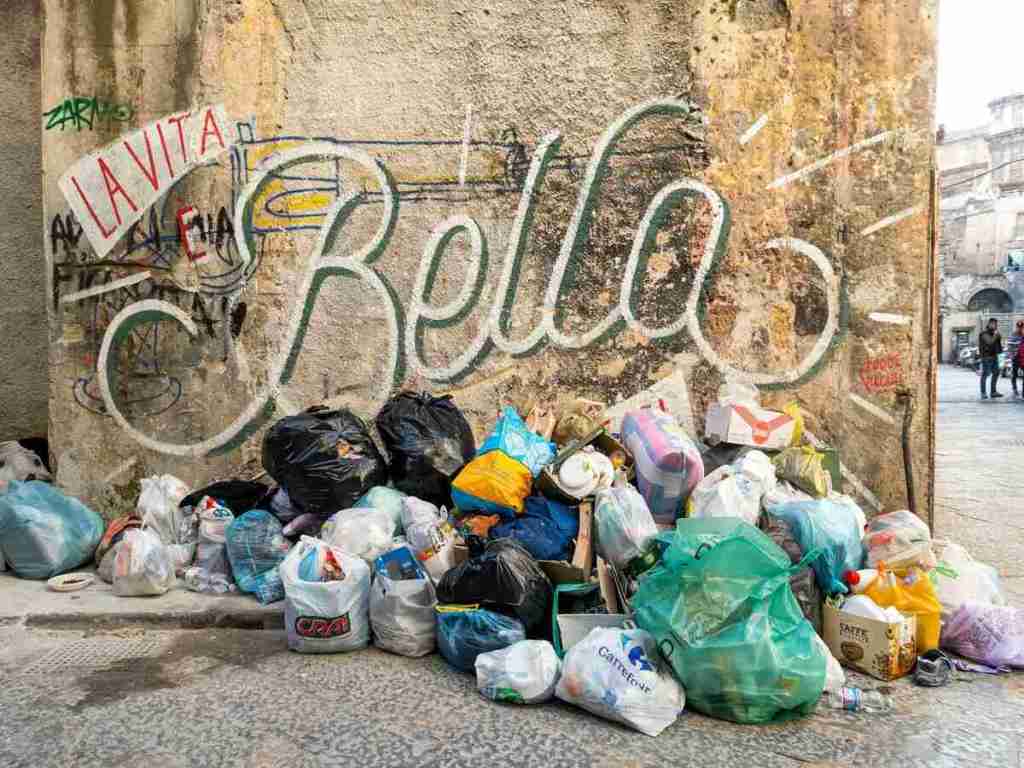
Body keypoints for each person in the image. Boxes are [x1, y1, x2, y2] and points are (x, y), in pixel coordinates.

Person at [978, 318, 1004, 400]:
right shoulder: (983, 334)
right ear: (988, 324)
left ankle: (993, 392)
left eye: (995, 324)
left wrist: (1001, 359)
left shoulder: (995, 334)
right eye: (992, 324)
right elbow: (990, 342)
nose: (994, 325)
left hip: (995, 356)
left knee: (996, 373)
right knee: (985, 374)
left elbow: (999, 346)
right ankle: (983, 393)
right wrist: (996, 336)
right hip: (986, 357)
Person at [1010, 320, 1024, 397]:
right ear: (1016, 327)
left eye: (1021, 327)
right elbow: (1010, 346)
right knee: (1014, 374)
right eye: (1018, 327)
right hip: (1015, 357)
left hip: (1022, 358)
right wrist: (1012, 355)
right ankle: (1014, 388)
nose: (1020, 328)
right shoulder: (1013, 334)